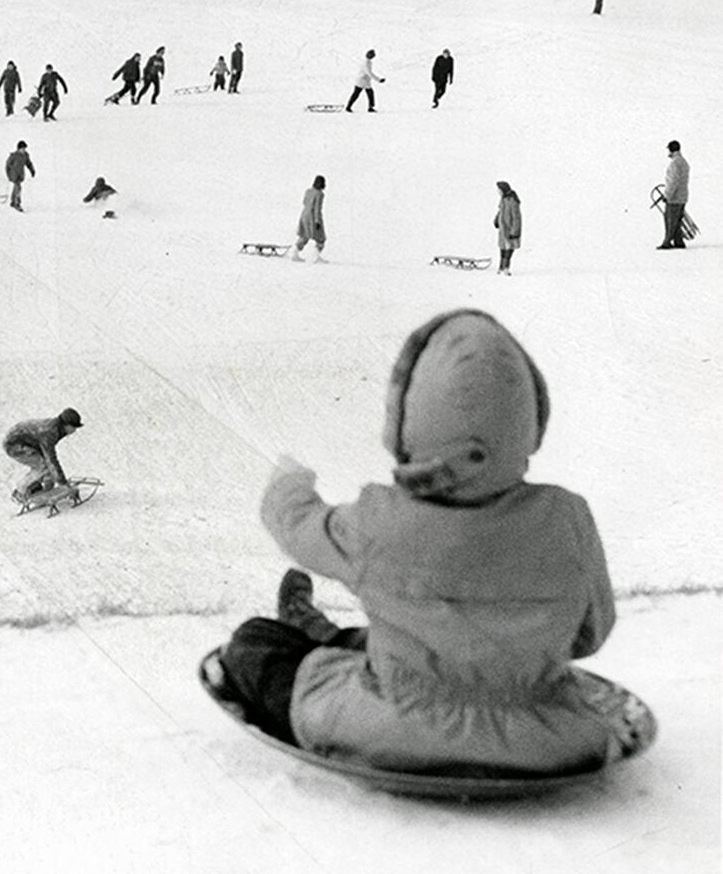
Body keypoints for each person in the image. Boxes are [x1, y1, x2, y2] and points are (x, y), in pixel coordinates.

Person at [213, 309, 628, 777]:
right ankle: (325, 632)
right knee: (435, 642)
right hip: (545, 741)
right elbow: (590, 634)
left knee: (255, 643)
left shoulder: (380, 520)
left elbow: (298, 526)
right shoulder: (566, 518)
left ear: (406, 421)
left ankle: (317, 635)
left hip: (389, 732)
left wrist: (289, 482)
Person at [3, 408, 83, 502]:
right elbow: (51, 458)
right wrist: (62, 482)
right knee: (42, 466)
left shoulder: (57, 428)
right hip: (14, 445)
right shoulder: (50, 432)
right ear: (66, 424)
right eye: (74, 427)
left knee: (46, 465)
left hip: (28, 442)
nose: (75, 430)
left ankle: (42, 486)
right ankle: (19, 493)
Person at [658, 140, 690, 250]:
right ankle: (678, 241)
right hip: (682, 196)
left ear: (671, 150)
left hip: (674, 198)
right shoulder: (684, 162)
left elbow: (673, 182)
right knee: (678, 220)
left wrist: (667, 195)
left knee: (670, 220)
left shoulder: (674, 163)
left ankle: (667, 242)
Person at [291, 175, 327, 264]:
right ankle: (316, 256)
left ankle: (294, 253)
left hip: (304, 215)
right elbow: (317, 208)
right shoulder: (320, 194)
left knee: (304, 235)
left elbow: (304, 202)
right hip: (313, 217)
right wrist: (317, 221)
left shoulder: (308, 191)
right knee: (321, 238)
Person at [494, 180, 522, 275]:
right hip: (503, 229)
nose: (498, 192)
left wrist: (515, 231)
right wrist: (497, 219)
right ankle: (501, 267)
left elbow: (516, 217)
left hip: (510, 229)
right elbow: (500, 210)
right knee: (502, 248)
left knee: (509, 249)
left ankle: (506, 267)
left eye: (499, 189)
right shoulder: (503, 199)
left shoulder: (512, 200)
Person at [5, 140, 35, 212]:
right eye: (22, 149)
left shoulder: (25, 155)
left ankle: (13, 202)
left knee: (16, 188)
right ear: (18, 149)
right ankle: (17, 203)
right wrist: (8, 175)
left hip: (20, 174)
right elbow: (7, 165)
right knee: (18, 188)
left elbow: (28, 163)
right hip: (14, 175)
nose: (24, 150)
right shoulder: (14, 156)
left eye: (24, 149)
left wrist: (32, 170)